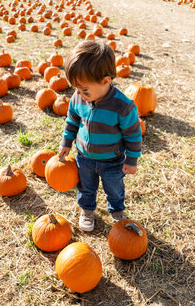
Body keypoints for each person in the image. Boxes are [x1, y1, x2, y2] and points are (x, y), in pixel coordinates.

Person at [58, 40, 142, 232]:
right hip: (84, 157)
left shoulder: (122, 106)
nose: (79, 93)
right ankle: (87, 210)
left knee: (114, 188)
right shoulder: (78, 98)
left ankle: (117, 211)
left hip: (112, 160)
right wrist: (66, 142)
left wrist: (132, 160)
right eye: (76, 88)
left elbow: (134, 135)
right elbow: (72, 121)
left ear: (105, 81)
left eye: (84, 89)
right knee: (86, 187)